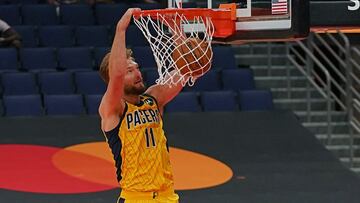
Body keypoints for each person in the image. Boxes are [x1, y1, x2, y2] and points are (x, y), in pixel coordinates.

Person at [98, 8, 196, 203]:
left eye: (137, 68)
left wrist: (176, 30)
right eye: (129, 70)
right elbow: (116, 75)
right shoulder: (113, 109)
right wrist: (121, 30)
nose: (137, 73)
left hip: (167, 195)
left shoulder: (153, 99)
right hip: (136, 197)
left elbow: (185, 70)